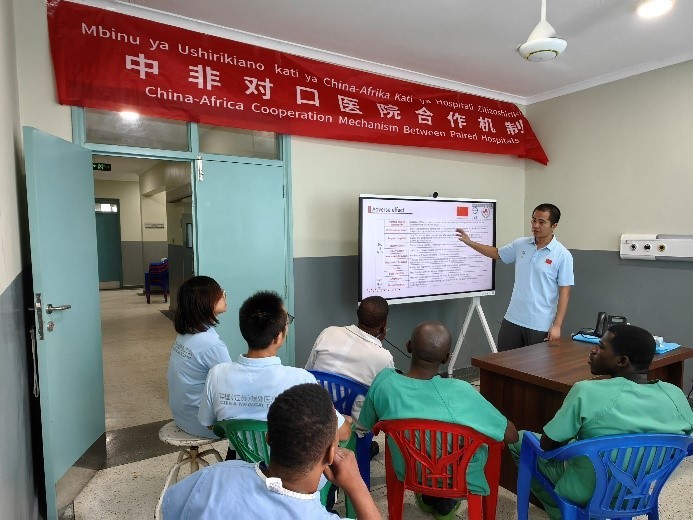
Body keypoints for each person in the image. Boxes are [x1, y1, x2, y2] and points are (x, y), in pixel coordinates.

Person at [509, 324, 693, 520]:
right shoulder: (675, 395)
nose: (593, 350)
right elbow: (685, 446)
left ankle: (562, 513)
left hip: (584, 493)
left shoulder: (586, 391)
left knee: (520, 440)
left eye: (601, 347)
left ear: (622, 360)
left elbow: (547, 445)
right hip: (635, 495)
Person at [359, 321, 518, 520]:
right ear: (446, 358)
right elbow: (511, 435)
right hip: (459, 478)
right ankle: (444, 501)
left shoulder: (384, 382)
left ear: (409, 346)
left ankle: (429, 497)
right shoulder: (461, 391)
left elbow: (364, 425)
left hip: (409, 470)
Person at [162, 383, 382, 520]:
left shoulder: (214, 476)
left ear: (268, 437)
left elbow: (169, 508)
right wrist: (356, 485)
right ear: (330, 454)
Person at [198, 290, 350, 440]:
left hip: (237, 455)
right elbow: (343, 433)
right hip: (288, 457)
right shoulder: (301, 380)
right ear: (278, 337)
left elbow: (209, 423)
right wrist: (347, 422)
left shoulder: (217, 374)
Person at [456, 203, 574, 351]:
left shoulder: (562, 255)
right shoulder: (521, 244)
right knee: (504, 361)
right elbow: (496, 253)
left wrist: (557, 325)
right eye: (533, 220)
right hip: (513, 319)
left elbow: (565, 291)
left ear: (554, 226)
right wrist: (469, 242)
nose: (535, 225)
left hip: (540, 324)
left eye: (541, 222)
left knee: (535, 365)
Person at [305, 295, 394, 426]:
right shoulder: (384, 357)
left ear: (358, 314)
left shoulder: (328, 332)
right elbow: (386, 402)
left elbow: (308, 372)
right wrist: (377, 344)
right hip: (354, 426)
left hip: (315, 415)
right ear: (384, 324)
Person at [167, 275, 231, 438]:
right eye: (220, 293)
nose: (224, 295)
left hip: (182, 417)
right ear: (206, 302)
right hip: (203, 425)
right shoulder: (212, 345)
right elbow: (231, 388)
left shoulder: (185, 335)